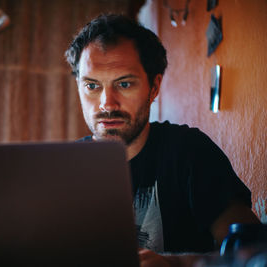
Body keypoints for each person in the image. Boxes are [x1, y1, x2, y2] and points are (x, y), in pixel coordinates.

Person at [65, 14, 260, 266]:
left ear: (154, 87)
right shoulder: (67, 166)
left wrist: (177, 265)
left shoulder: (189, 152)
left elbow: (255, 254)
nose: (107, 104)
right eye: (92, 86)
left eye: (124, 84)